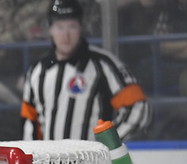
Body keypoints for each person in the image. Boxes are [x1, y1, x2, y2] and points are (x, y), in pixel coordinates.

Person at [21, 0, 152, 141]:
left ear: (81, 28)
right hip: (50, 161)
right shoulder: (37, 71)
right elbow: (30, 121)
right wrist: (33, 158)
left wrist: (108, 143)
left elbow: (138, 106)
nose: (66, 35)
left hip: (91, 161)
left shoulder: (103, 65)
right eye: (60, 27)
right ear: (50, 30)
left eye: (72, 26)